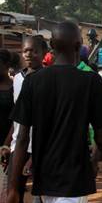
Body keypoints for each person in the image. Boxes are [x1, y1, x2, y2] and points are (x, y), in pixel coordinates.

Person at [8, 21, 102, 203]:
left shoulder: (32, 82)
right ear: (78, 46)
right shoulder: (91, 82)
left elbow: (21, 138)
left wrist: (13, 188)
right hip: (74, 178)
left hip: (44, 177)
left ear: (51, 46)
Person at [1, 36, 47, 203]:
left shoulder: (48, 78)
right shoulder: (18, 79)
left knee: (41, 194)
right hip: (19, 144)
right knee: (14, 190)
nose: (29, 54)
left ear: (44, 53)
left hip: (41, 145)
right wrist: (7, 143)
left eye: (34, 51)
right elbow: (17, 115)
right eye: (25, 51)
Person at [0, 49, 14, 155]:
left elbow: (17, 121)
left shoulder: (15, 88)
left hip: (6, 146)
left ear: (7, 65)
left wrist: (6, 145)